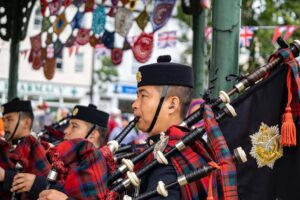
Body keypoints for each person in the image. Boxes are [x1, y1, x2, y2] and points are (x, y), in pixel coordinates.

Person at [131, 55, 209, 199]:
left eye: (143, 96)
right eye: (137, 96)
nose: (135, 104)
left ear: (172, 105)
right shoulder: (160, 150)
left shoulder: (169, 163)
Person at [11, 104, 110, 200]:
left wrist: (37, 184)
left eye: (74, 126)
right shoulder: (62, 160)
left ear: (92, 135)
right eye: (68, 125)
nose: (66, 130)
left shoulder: (102, 168)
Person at [0, 97, 51, 199]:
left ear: (27, 122)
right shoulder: (3, 147)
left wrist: (5, 176)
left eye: (9, 119)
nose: (5, 125)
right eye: (4, 120)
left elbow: (46, 188)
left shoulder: (37, 148)